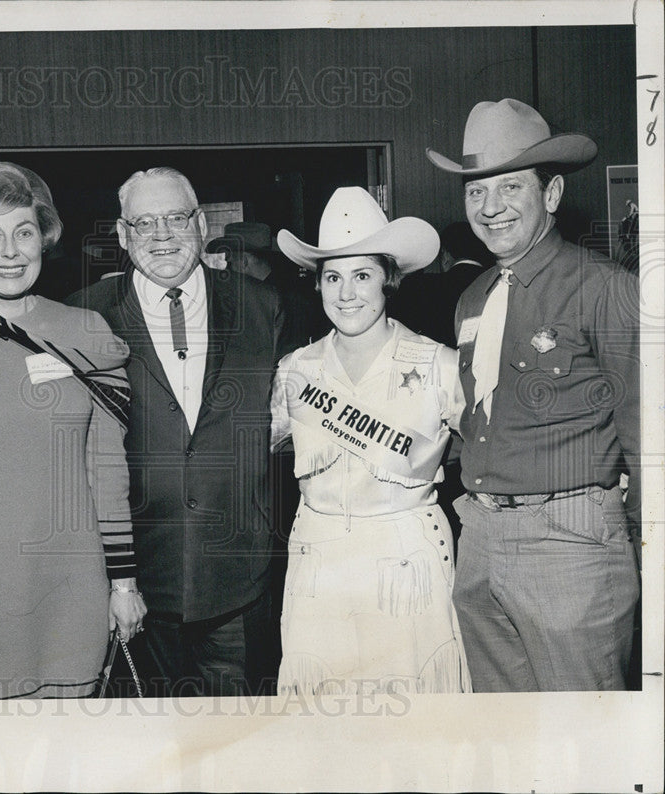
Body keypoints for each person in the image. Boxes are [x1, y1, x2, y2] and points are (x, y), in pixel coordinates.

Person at [0, 162, 145, 700]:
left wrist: (124, 583)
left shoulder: (87, 332)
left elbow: (107, 471)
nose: (9, 251)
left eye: (24, 232)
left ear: (45, 239)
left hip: (72, 588)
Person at [427, 98, 641, 691]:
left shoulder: (604, 288)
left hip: (569, 543)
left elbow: (650, 429)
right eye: (476, 190)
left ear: (551, 195)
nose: (490, 207)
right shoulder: (472, 297)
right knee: (509, 743)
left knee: (585, 746)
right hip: (480, 541)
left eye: (509, 187)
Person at [65, 167, 288, 696]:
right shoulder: (82, 316)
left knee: (243, 752)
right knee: (149, 759)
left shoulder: (261, 306)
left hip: (240, 578)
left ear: (201, 223)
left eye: (174, 219)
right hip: (132, 585)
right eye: (143, 223)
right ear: (122, 235)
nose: (161, 236)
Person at [271, 187, 470, 695]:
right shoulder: (295, 371)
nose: (346, 294)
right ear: (316, 285)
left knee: (417, 724)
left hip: (408, 558)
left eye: (362, 275)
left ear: (389, 279)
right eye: (332, 277)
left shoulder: (438, 365)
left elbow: (488, 454)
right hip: (322, 563)